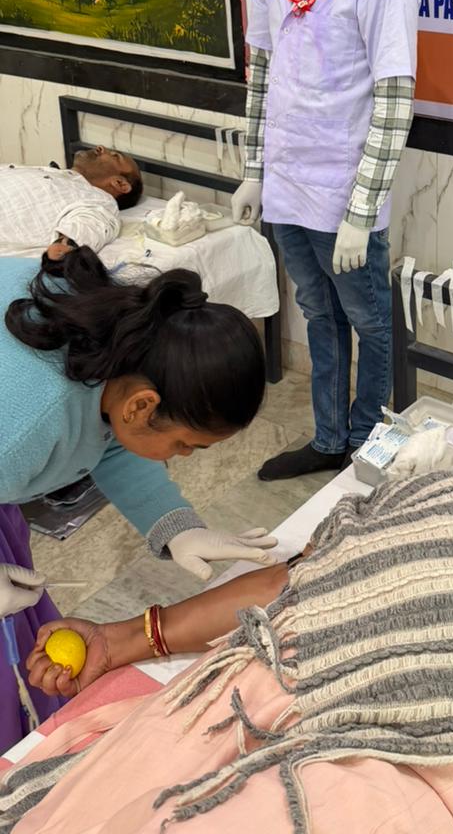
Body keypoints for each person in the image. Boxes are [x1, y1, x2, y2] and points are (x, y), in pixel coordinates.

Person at [14, 430, 453, 834]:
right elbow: (296, 582)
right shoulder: (428, 492)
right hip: (269, 693)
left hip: (440, 766)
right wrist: (125, 639)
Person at [0, 249, 278, 750]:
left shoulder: (130, 349)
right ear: (143, 406)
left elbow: (106, 436)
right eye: (184, 444)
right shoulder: (25, 425)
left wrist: (174, 523)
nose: (185, 456)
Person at [231, 0, 419, 480]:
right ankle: (328, 438)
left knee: (369, 323)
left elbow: (394, 106)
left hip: (343, 200)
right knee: (317, 315)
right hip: (286, 191)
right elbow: (262, 69)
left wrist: (362, 212)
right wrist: (254, 169)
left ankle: (366, 444)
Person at [0, 146, 143, 257]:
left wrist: (65, 245)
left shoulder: (98, 200)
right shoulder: (57, 175)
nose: (101, 147)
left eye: (115, 156)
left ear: (120, 184)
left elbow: (92, 223)